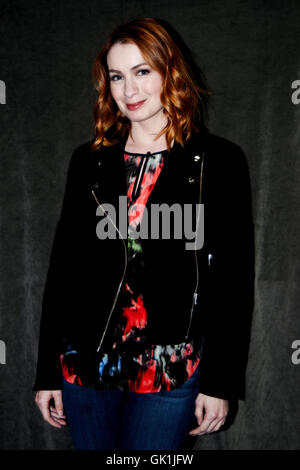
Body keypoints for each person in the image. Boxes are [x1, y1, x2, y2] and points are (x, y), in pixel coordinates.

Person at [34, 17, 254, 450]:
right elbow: (63, 272)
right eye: (117, 76)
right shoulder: (89, 161)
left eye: (142, 72)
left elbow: (233, 280)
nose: (128, 91)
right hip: (85, 364)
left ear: (170, 72)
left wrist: (220, 381)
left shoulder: (219, 161)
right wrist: (47, 371)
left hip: (169, 366)